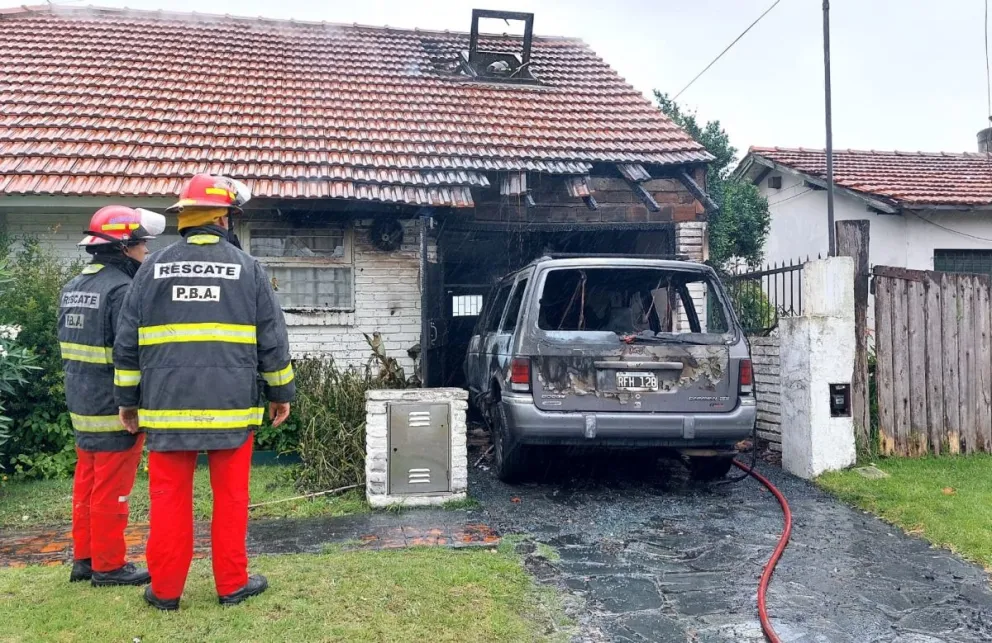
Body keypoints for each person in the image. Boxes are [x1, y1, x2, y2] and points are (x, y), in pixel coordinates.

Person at [114, 174, 295, 611]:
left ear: (185, 218)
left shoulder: (150, 270)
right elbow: (272, 339)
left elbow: (127, 341)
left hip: (166, 408)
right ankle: (231, 585)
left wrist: (127, 401)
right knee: (231, 501)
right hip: (231, 410)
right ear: (221, 217)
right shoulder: (247, 269)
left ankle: (165, 591)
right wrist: (280, 392)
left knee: (168, 502)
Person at [59, 205, 165, 587]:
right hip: (114, 407)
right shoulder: (121, 290)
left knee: (86, 483)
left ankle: (84, 559)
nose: (146, 254)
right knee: (111, 490)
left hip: (82, 403)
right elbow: (128, 352)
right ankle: (108, 565)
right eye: (142, 247)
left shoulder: (74, 286)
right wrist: (133, 402)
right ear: (124, 248)